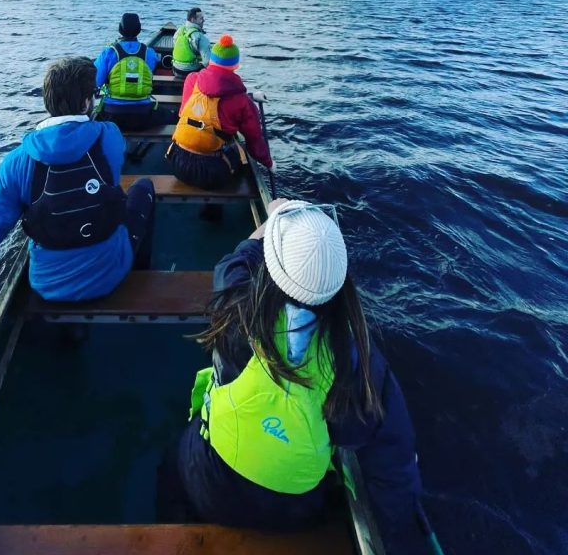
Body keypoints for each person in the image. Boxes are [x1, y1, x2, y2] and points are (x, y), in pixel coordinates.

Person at [157, 200, 429, 554]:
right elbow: (392, 465)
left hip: (210, 482)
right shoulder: (359, 364)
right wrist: (402, 534)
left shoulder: (237, 306)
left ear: (269, 268)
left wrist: (273, 220)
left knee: (171, 467)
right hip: (290, 511)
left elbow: (235, 259)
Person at [0, 57, 155, 301]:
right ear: (86, 103)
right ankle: (140, 270)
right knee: (143, 187)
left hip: (47, 284)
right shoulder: (110, 136)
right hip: (111, 273)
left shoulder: (16, 161)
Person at [166, 34, 272, 190]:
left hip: (176, 162)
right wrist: (269, 163)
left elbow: (184, 113)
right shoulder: (243, 101)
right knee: (242, 156)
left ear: (211, 60)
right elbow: (254, 140)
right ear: (236, 66)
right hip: (211, 174)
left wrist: (251, 96)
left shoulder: (192, 79)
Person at [94, 12, 175, 130]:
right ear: (139, 30)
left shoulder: (109, 53)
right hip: (143, 114)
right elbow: (150, 74)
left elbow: (96, 81)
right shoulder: (149, 53)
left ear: (120, 29)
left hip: (112, 115)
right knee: (172, 115)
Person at [172, 7, 211, 79]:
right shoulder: (200, 36)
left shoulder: (179, 31)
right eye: (201, 18)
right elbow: (207, 62)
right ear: (193, 20)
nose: (204, 20)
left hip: (176, 70)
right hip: (190, 72)